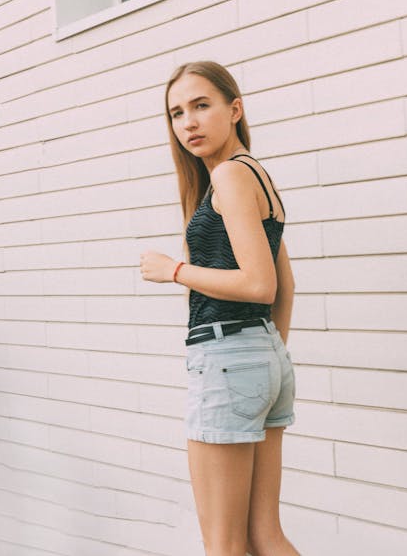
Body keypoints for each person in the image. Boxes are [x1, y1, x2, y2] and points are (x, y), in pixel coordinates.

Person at [140, 60, 299, 556]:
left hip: (229, 356)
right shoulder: (256, 176)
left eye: (201, 105)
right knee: (263, 536)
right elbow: (286, 286)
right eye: (177, 112)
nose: (188, 121)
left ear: (235, 110)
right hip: (260, 357)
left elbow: (261, 284)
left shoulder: (230, 175)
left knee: (224, 545)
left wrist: (174, 270)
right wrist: (264, 357)